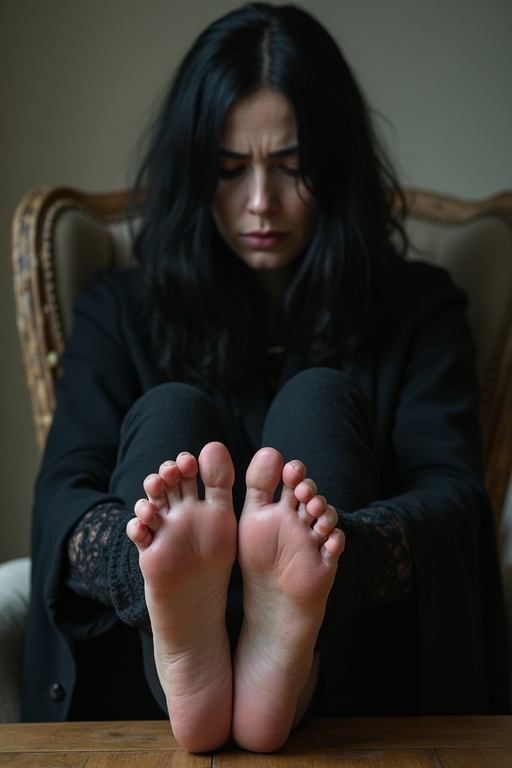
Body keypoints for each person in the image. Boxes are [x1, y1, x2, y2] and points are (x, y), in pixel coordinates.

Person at [22, 1, 509, 754]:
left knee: (319, 405)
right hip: (146, 679)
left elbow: (452, 495)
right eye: (228, 169)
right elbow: (66, 489)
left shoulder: (418, 307)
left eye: (292, 167)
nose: (259, 202)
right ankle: (187, 657)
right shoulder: (122, 309)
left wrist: (334, 553)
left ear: (337, 163)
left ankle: (291, 662)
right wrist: (145, 557)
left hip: (358, 679)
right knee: (172, 416)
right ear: (193, 171)